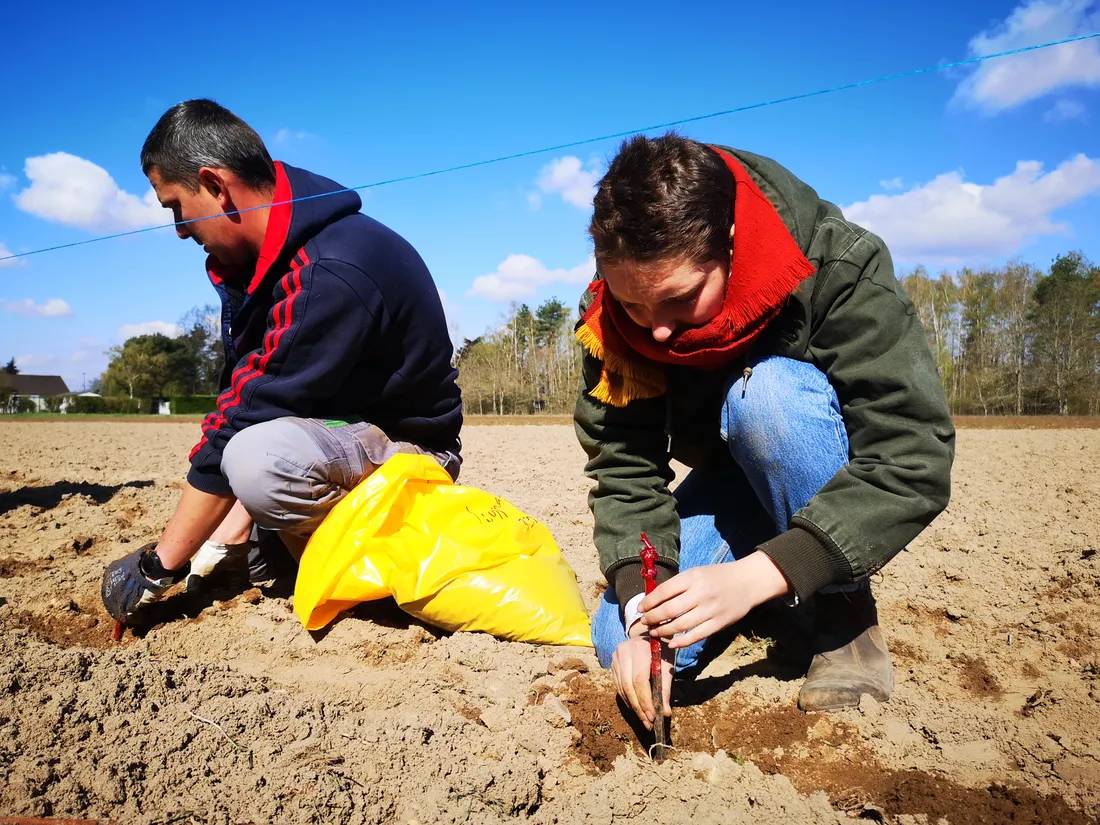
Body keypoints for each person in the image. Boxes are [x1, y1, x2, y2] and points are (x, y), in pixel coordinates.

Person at [575, 133, 954, 726]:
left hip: (815, 463)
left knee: (767, 398)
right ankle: (773, 584)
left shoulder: (837, 264)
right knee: (615, 641)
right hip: (729, 483)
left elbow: (910, 455)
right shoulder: (617, 312)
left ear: (728, 242)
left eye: (679, 300)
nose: (656, 333)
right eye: (635, 307)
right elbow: (624, 465)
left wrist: (757, 576)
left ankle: (841, 615)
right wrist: (639, 606)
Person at [102, 99, 462, 624]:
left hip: (414, 461)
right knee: (250, 497)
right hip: (347, 440)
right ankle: (279, 541)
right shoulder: (279, 255)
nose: (179, 229)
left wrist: (159, 566)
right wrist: (229, 528)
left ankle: (371, 575)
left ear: (216, 185)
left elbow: (249, 416)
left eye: (175, 206)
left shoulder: (328, 269)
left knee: (258, 460)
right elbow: (256, 392)